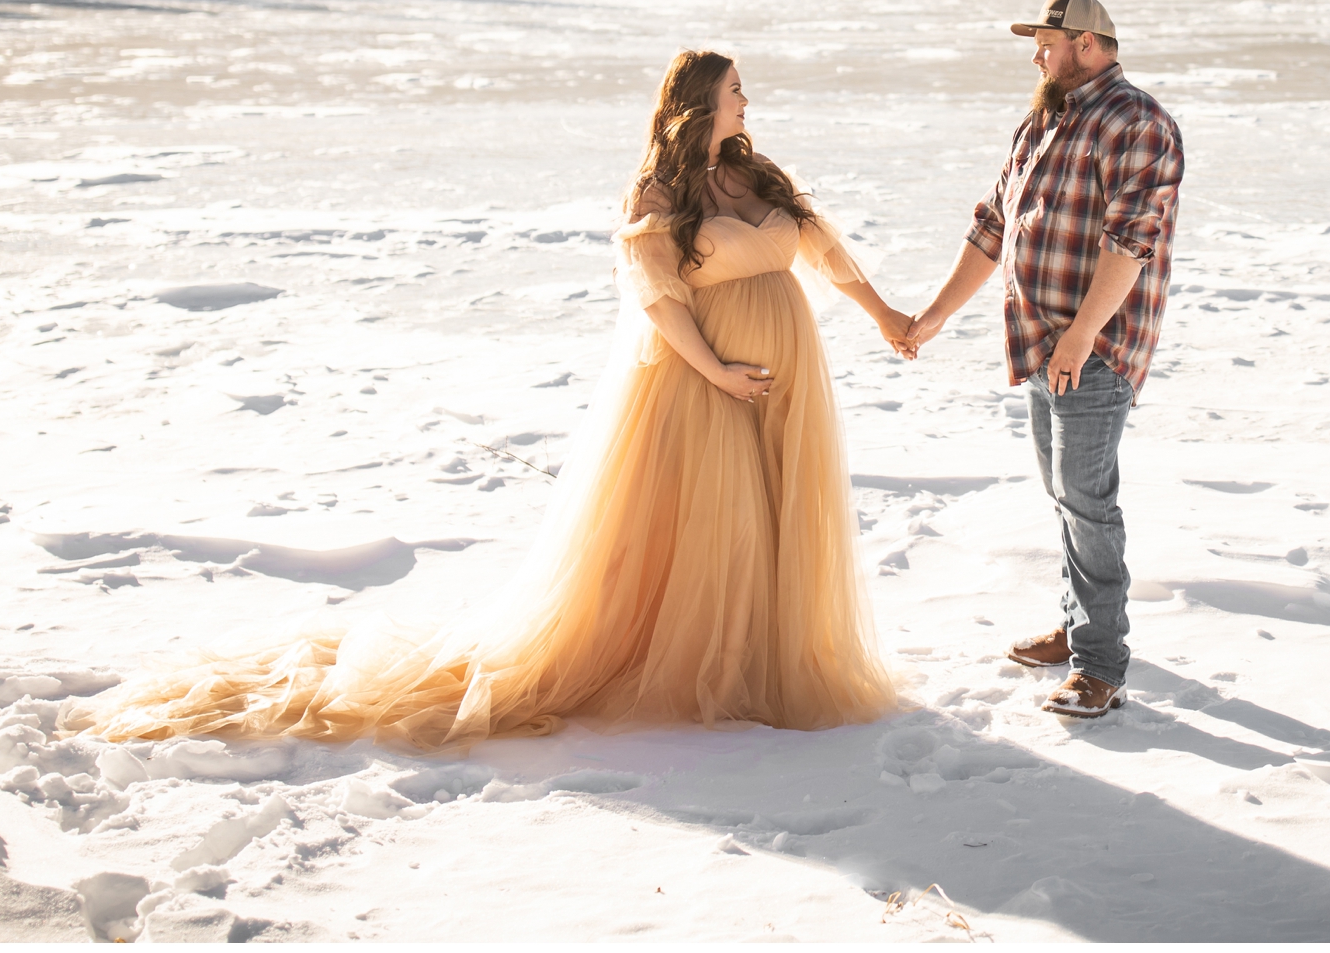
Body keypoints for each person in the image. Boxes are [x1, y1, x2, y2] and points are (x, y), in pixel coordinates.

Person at [72, 50, 909, 748]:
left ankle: (764, 661)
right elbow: (657, 301)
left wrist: (886, 317)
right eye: (734, 91)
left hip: (789, 378)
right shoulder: (657, 194)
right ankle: (715, 672)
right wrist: (718, 372)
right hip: (706, 380)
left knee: (777, 517)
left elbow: (825, 250)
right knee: (720, 528)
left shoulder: (757, 172)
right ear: (700, 103)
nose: (747, 101)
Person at [897, 0, 1183, 719]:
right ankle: (1077, 625)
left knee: (1088, 503)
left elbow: (1130, 241)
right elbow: (993, 226)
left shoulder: (1139, 123)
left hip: (1093, 346)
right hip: (1039, 343)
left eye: (1047, 42)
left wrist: (1082, 336)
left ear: (1088, 44)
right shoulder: (1042, 123)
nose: (1037, 55)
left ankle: (1100, 665)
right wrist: (931, 318)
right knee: (1065, 497)